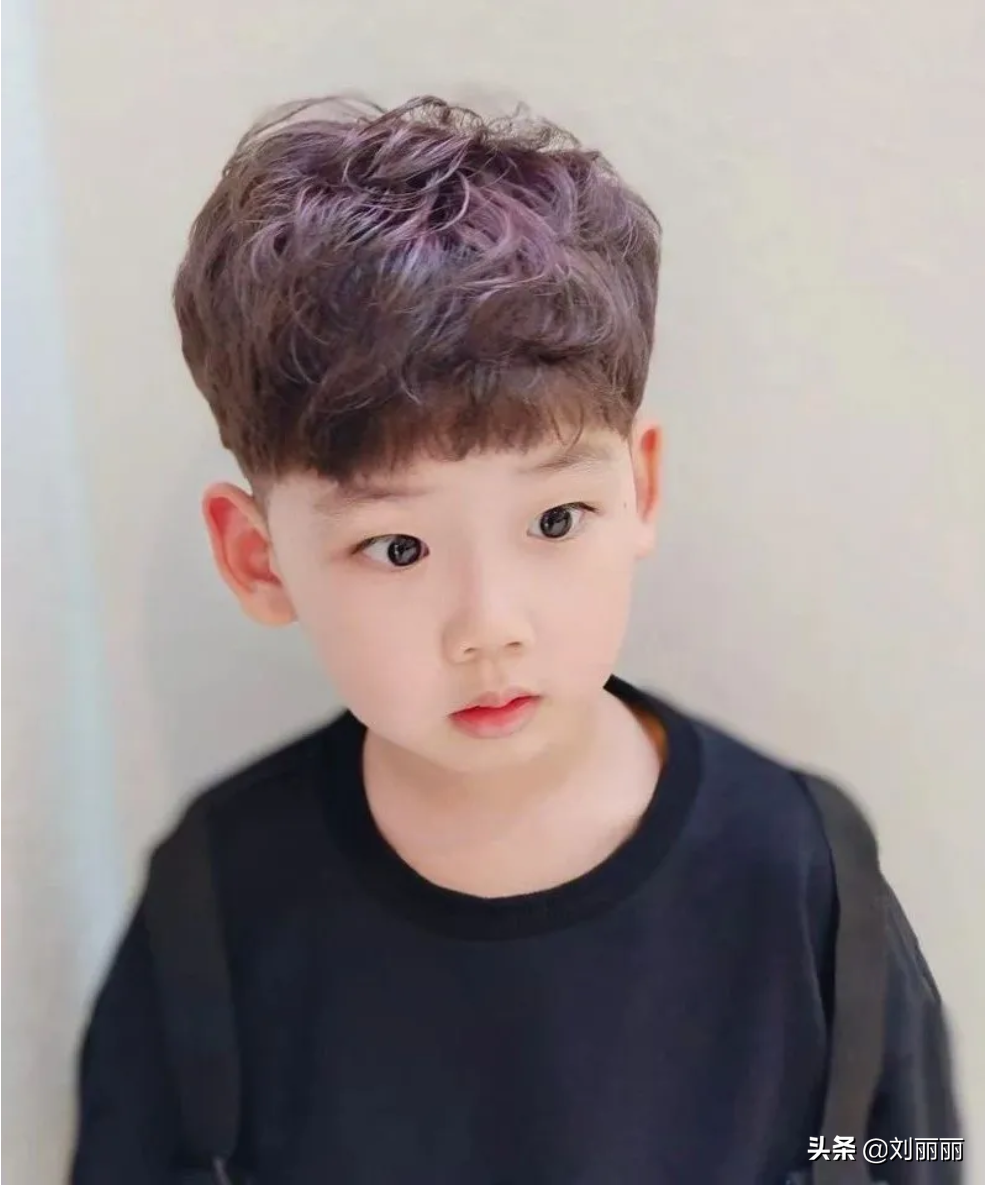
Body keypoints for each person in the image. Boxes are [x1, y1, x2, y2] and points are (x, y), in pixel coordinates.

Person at [70, 96, 960, 1184]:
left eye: (554, 521)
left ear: (638, 490)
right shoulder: (218, 905)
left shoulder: (801, 874)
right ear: (258, 559)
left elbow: (906, 1149)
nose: (489, 625)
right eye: (398, 547)